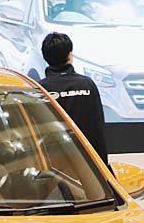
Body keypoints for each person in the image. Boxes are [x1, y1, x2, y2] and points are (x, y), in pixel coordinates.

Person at [37, 32, 109, 166]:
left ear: (45, 57)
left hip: (53, 165)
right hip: (88, 165)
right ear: (69, 55)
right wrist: (103, 168)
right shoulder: (87, 84)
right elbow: (98, 128)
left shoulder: (39, 89)